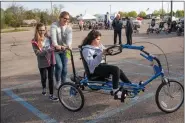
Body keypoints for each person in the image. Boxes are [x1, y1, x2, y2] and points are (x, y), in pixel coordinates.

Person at [81, 30, 131, 100]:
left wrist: (108, 51)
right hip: (94, 69)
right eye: (98, 39)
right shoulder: (86, 50)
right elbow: (91, 64)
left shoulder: (98, 45)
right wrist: (102, 54)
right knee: (115, 69)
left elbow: (105, 50)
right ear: (92, 39)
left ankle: (129, 85)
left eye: (100, 39)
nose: (99, 41)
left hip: (101, 66)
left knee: (118, 70)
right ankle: (115, 91)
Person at [31, 23, 59, 101]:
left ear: (46, 30)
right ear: (37, 30)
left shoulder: (49, 38)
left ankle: (51, 95)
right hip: (42, 62)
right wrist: (47, 50)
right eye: (40, 30)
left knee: (51, 78)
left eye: (43, 30)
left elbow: (54, 46)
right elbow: (38, 53)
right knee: (44, 78)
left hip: (51, 61)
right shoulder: (34, 41)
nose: (42, 32)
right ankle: (44, 87)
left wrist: (57, 47)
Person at [50, 11, 72, 89]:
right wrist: (56, 45)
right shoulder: (54, 25)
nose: (66, 20)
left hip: (65, 49)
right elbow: (53, 37)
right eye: (65, 18)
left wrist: (69, 45)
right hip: (56, 50)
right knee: (59, 66)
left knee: (65, 68)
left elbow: (69, 39)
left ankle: (64, 83)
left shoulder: (69, 27)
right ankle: (58, 81)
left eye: (68, 19)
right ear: (60, 18)